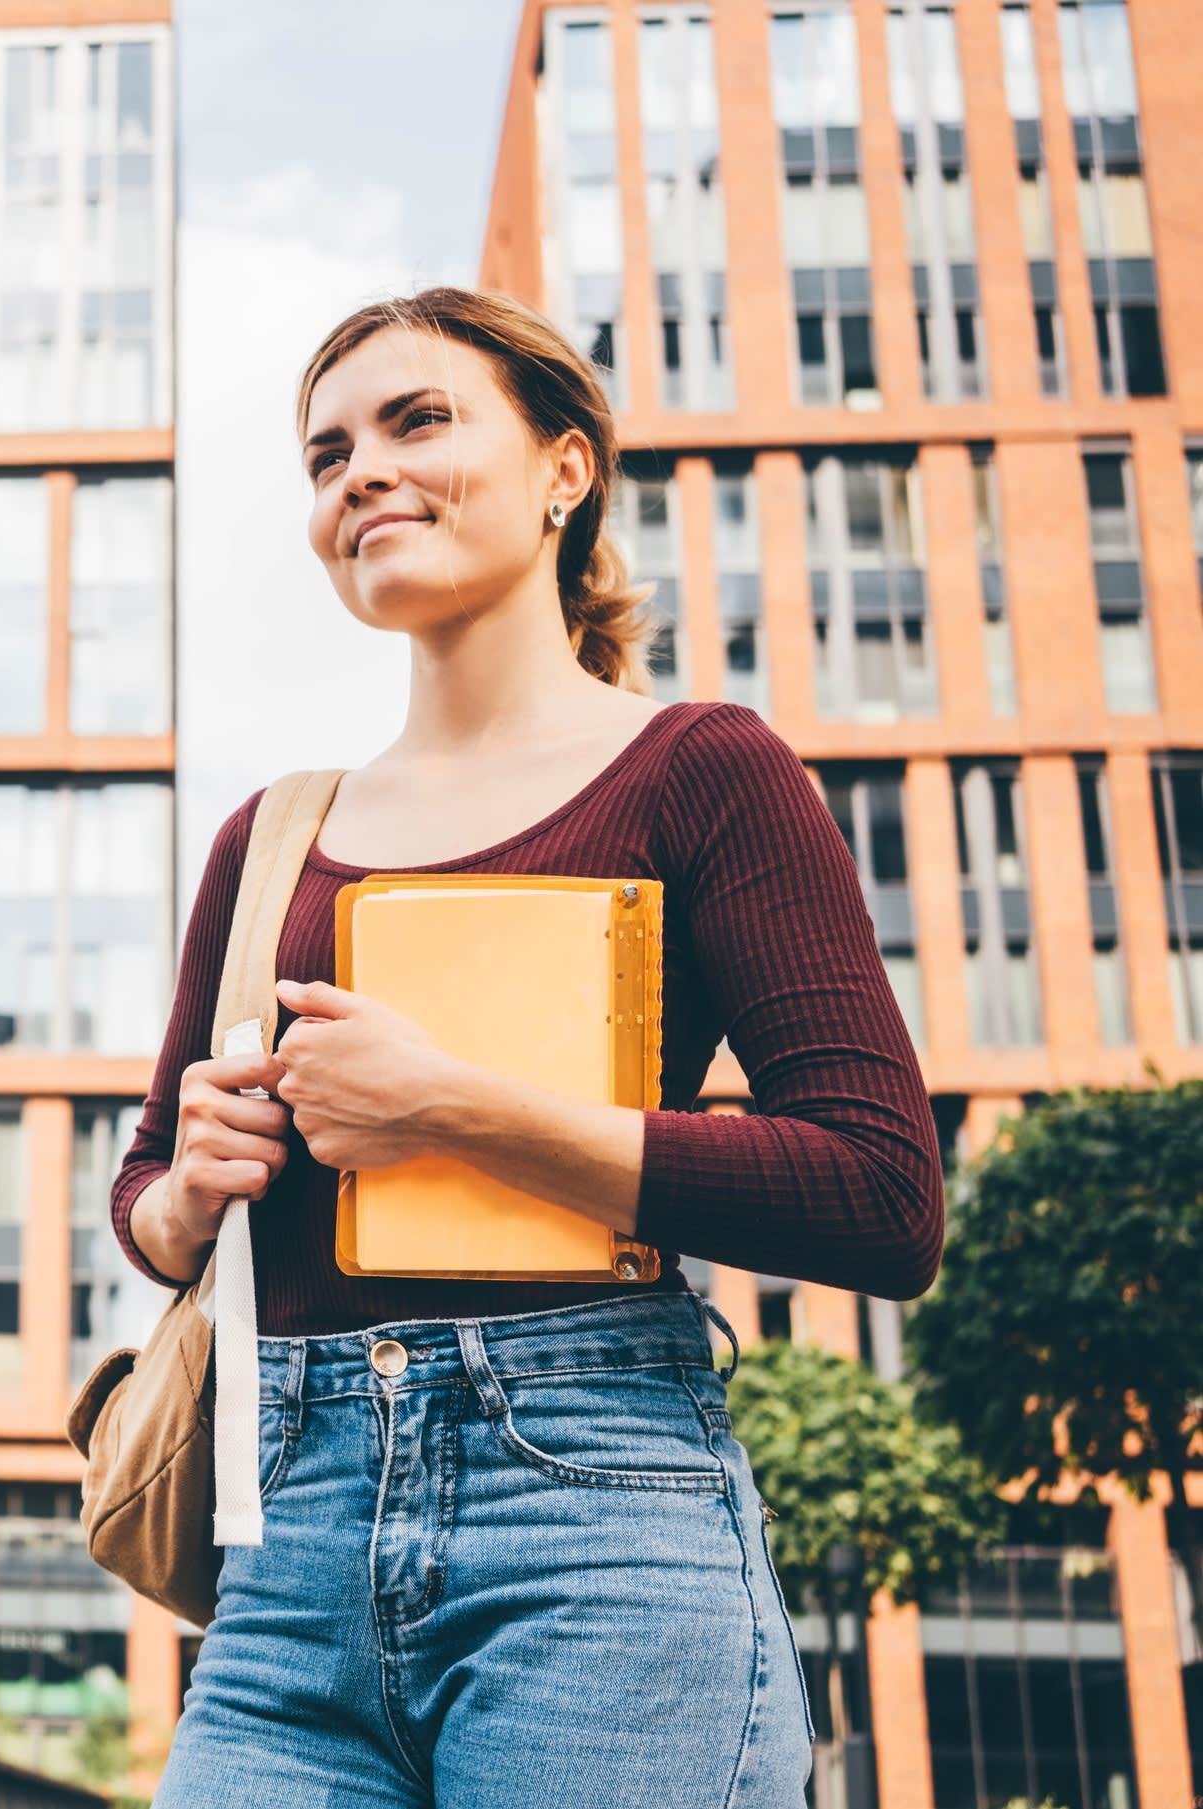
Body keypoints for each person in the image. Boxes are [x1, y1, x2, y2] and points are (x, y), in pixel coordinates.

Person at [123, 288, 943, 1807]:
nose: (359, 471)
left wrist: (454, 1107)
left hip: (596, 1523)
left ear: (567, 469)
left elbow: (883, 1193)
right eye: (327, 452)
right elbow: (149, 1189)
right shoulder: (270, 835)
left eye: (417, 421)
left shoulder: (702, 772)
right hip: (287, 1549)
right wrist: (189, 1190)